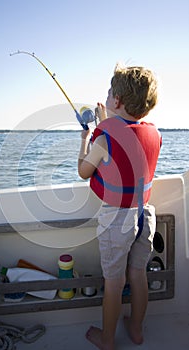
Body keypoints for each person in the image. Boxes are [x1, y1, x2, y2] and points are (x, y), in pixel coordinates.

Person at [78, 63, 162, 350]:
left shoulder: (102, 137)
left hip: (117, 221)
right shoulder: (154, 133)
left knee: (113, 283)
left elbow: (84, 171)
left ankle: (107, 339)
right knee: (137, 275)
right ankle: (136, 331)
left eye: (111, 92)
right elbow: (128, 140)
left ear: (117, 100)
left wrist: (85, 139)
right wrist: (108, 121)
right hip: (145, 216)